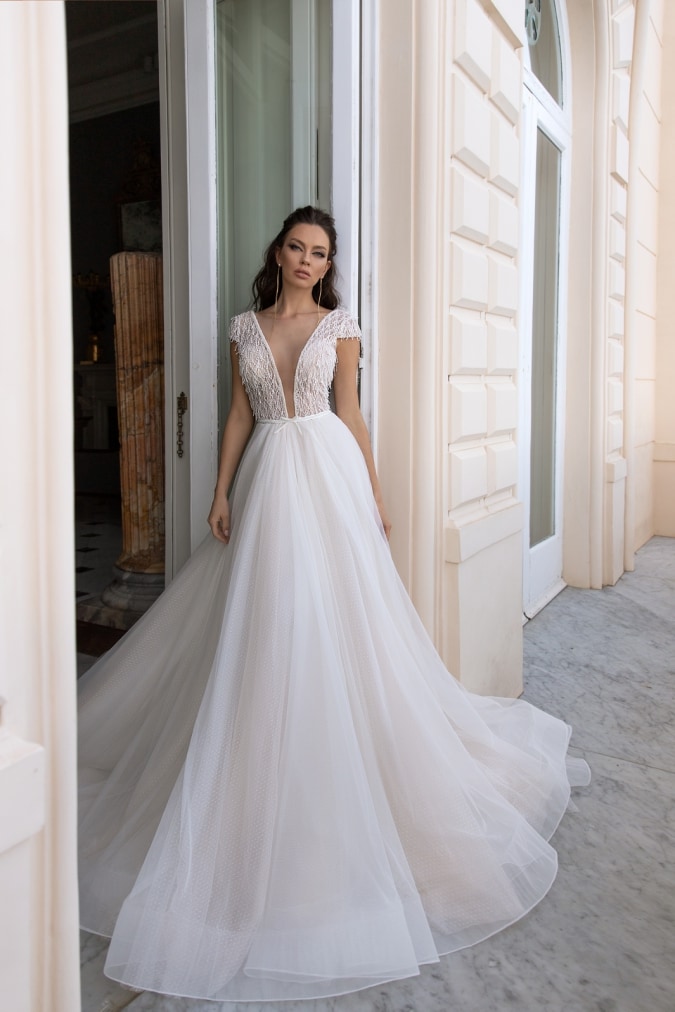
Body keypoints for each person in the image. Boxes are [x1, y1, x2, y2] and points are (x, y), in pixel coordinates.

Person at [78, 206, 590, 1004]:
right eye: (297, 248)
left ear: (328, 263)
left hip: (327, 475)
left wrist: (374, 498)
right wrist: (218, 490)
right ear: (276, 251)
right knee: (261, 624)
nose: (308, 262)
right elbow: (243, 412)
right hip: (267, 477)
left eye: (321, 253)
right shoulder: (244, 327)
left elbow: (350, 412)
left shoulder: (339, 326)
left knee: (338, 626)